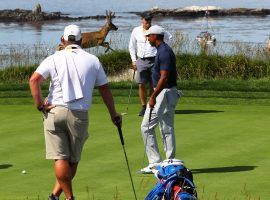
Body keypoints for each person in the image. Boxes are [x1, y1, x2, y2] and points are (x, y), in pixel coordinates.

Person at [29, 24, 121, 200]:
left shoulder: (53, 58)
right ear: (80, 40)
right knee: (72, 160)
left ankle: (55, 196)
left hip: (54, 112)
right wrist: (113, 114)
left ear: (63, 40)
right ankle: (69, 197)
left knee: (60, 159)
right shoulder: (93, 60)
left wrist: (40, 105)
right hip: (78, 115)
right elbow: (104, 90)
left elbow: (34, 80)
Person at [140, 25, 180, 173]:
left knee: (166, 129)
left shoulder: (164, 52)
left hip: (166, 93)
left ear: (155, 36)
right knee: (146, 127)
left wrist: (153, 96)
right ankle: (155, 163)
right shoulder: (160, 50)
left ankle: (169, 163)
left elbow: (164, 77)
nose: (147, 38)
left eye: (149, 36)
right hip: (161, 93)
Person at [129, 13, 172, 116]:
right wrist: (133, 60)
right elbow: (131, 46)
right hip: (141, 61)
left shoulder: (155, 29)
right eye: (146, 21)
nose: (147, 23)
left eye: (149, 21)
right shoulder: (136, 30)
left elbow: (169, 37)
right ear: (142, 20)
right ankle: (144, 107)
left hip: (154, 60)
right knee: (141, 84)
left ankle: (153, 105)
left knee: (154, 84)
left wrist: (163, 50)